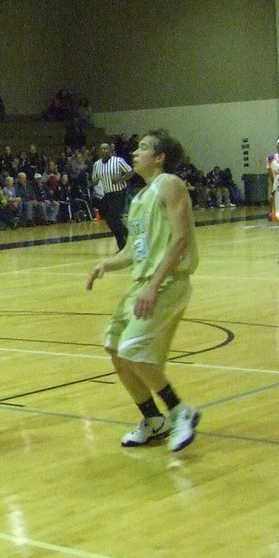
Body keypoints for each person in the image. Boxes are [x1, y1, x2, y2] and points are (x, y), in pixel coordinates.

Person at [86, 129, 201, 452]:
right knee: (115, 349)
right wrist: (105, 265)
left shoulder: (170, 184)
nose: (135, 153)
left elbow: (179, 240)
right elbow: (133, 251)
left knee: (133, 349)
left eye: (143, 148)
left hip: (165, 283)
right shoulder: (139, 198)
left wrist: (152, 286)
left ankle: (181, 412)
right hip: (142, 283)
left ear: (160, 157)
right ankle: (153, 420)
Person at [91, 141, 133, 249]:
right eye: (102, 149)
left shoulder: (118, 161)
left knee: (112, 217)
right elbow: (94, 180)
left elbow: (130, 172)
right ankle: (122, 242)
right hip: (107, 193)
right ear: (99, 151)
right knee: (108, 218)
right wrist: (94, 182)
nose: (104, 150)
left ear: (110, 150)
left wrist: (120, 179)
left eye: (106, 148)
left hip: (119, 192)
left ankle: (127, 235)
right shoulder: (97, 164)